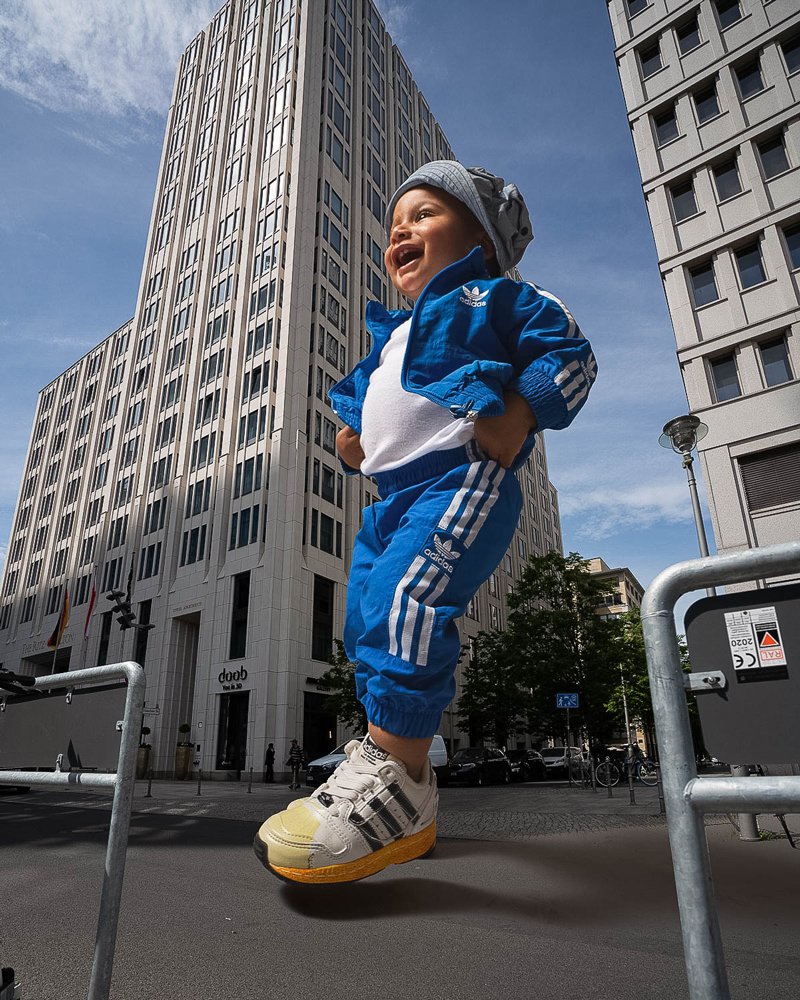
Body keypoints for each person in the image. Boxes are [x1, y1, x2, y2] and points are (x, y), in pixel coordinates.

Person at [255, 160, 596, 884]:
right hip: (392, 499)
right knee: (367, 617)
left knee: (407, 602)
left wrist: (525, 410)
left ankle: (399, 780)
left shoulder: (494, 295)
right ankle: (392, 777)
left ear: (480, 239)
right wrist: (352, 436)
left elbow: (572, 355)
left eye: (424, 215)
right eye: (394, 224)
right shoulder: (393, 334)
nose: (400, 230)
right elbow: (366, 399)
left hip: (460, 475)